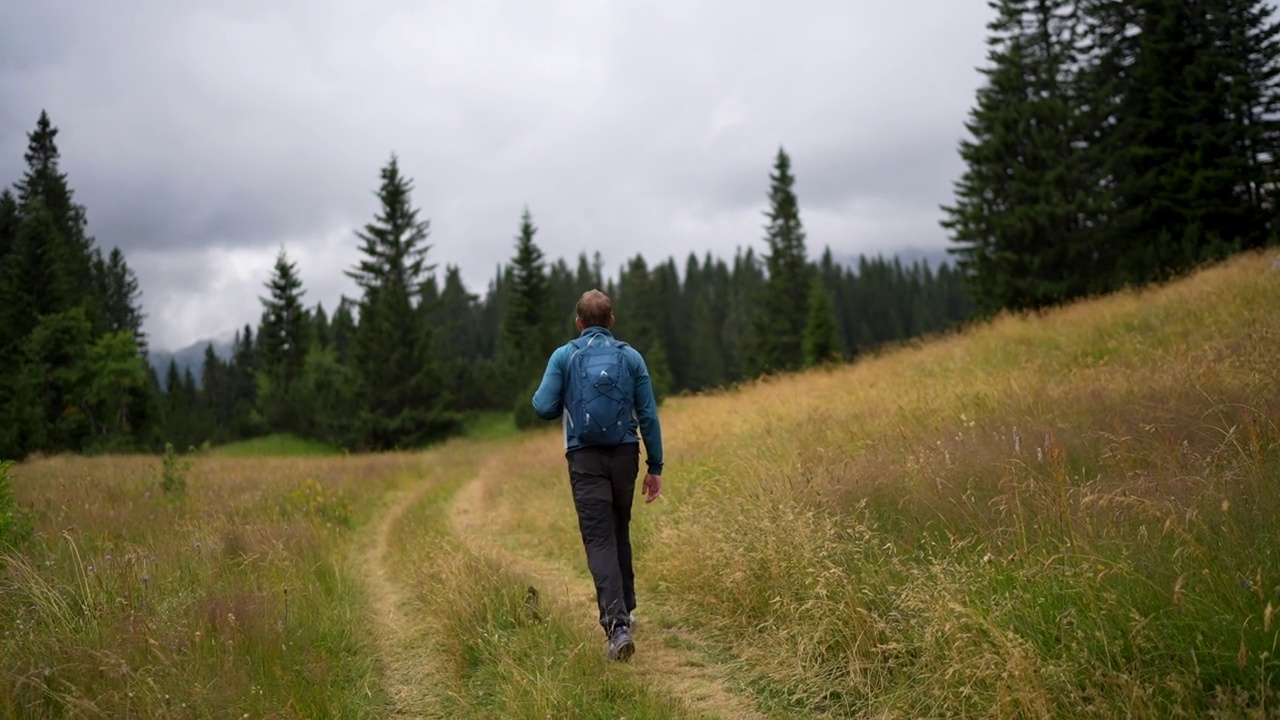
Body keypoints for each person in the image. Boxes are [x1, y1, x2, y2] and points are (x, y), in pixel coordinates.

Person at [531, 288, 664, 662]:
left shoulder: (564, 356)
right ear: (611, 321)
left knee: (599, 539)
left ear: (578, 323)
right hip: (625, 455)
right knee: (619, 528)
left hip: (584, 458)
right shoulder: (631, 357)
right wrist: (655, 467)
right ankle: (628, 609)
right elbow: (649, 416)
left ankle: (617, 626)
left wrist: (565, 399)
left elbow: (542, 406)